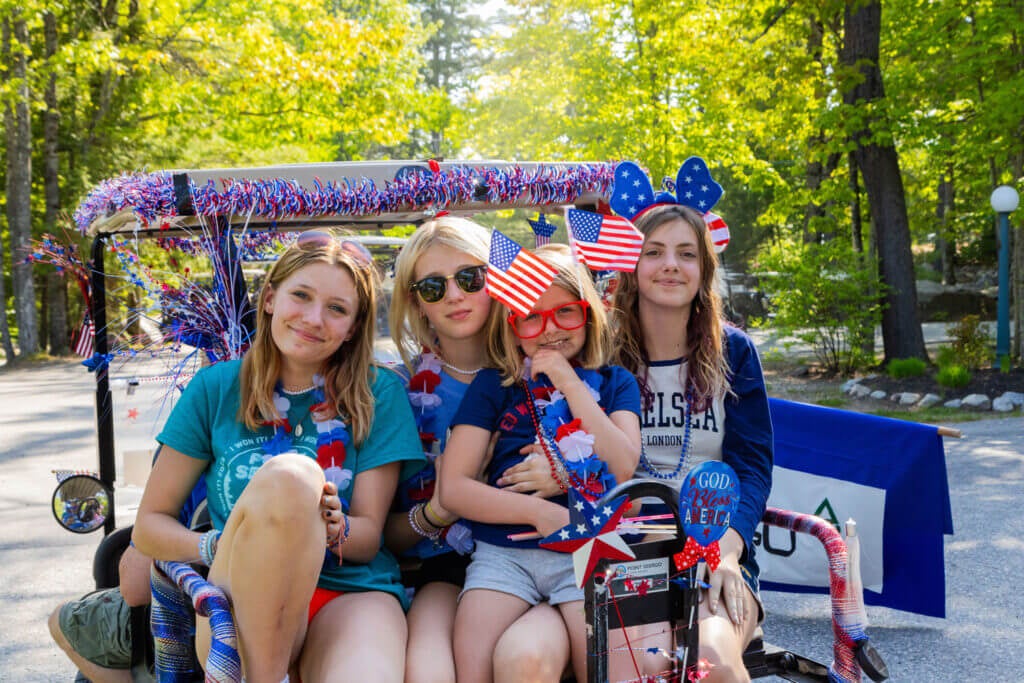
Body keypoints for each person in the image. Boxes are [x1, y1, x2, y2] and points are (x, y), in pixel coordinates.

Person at [132, 231, 423, 683]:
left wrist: (336, 525)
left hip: (349, 592)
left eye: (337, 309)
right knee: (289, 477)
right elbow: (149, 527)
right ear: (270, 298)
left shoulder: (378, 393)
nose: (313, 318)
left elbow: (367, 538)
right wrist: (218, 544)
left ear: (352, 328)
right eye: (301, 296)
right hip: (243, 592)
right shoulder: (216, 388)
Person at [439, 242, 642, 683]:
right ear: (511, 329)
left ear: (588, 314)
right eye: (530, 316)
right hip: (503, 556)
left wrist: (568, 382)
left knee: (604, 667)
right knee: (471, 667)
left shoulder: (614, 383)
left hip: (589, 546)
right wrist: (539, 511)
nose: (550, 329)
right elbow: (453, 488)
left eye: (565, 312)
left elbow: (623, 466)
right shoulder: (495, 385)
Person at [383, 216, 574, 683]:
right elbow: (384, 536)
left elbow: (619, 457)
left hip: (552, 554)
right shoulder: (396, 391)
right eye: (433, 286)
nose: (454, 294)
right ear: (415, 302)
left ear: (500, 281)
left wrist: (567, 471)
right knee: (427, 671)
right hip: (445, 567)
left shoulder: (551, 363)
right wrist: (440, 509)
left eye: (471, 278)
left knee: (526, 658)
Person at [610, 203, 773, 682]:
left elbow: (753, 466)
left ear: (704, 269)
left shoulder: (733, 351)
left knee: (713, 662)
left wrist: (728, 548)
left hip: (714, 541)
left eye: (686, 253)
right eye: (653, 252)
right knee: (653, 665)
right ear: (628, 264)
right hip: (630, 546)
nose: (669, 266)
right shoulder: (603, 352)